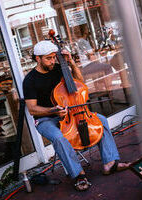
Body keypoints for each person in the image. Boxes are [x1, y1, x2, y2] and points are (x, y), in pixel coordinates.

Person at [23, 40, 130, 191]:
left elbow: (80, 83)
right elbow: (32, 109)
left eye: (54, 57)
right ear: (37, 58)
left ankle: (110, 163)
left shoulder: (59, 68)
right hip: (46, 118)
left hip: (71, 113)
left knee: (102, 121)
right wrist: (53, 110)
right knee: (59, 137)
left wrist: (71, 63)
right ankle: (78, 174)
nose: (53, 61)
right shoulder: (30, 80)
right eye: (48, 58)